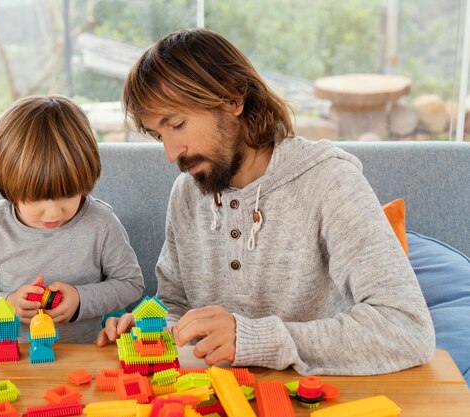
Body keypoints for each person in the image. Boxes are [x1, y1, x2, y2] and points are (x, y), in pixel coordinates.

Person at [97, 28, 435, 375]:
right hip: (218, 398)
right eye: (158, 135)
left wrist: (252, 337)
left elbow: (407, 328)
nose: (171, 153)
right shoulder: (187, 193)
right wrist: (149, 329)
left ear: (232, 99)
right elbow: (175, 304)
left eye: (178, 124)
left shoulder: (329, 182)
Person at [0, 95, 145, 343]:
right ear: (10, 187)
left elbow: (131, 284)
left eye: (68, 194)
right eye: (36, 198)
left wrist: (80, 299)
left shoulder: (101, 222)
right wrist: (8, 304)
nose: (53, 213)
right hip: (15, 360)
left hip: (83, 357)